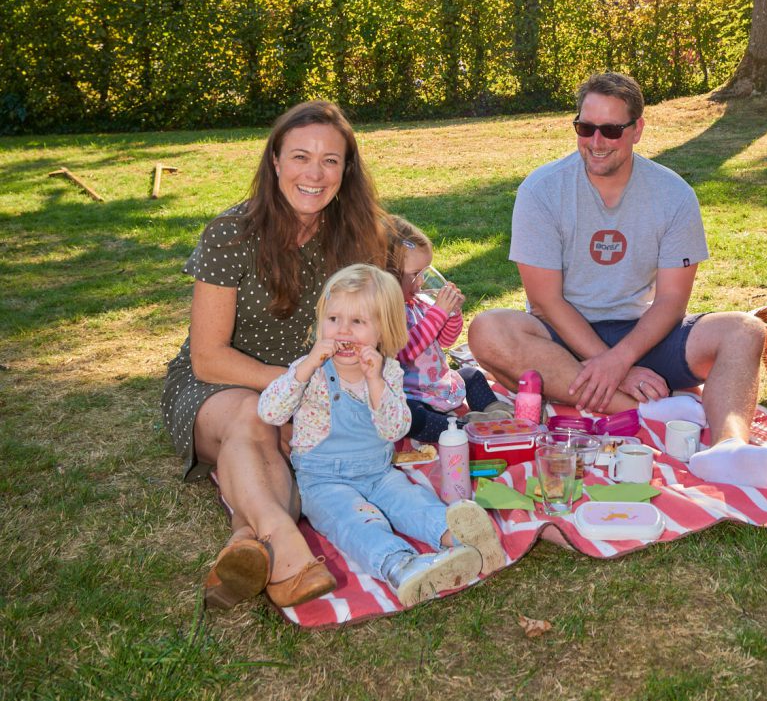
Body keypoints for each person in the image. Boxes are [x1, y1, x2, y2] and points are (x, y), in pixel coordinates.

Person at [162, 100, 392, 610]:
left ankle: (248, 539)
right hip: (217, 387)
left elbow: (375, 334)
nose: (315, 173)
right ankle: (288, 549)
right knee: (254, 417)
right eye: (300, 156)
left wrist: (314, 399)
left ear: (346, 170)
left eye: (331, 160)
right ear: (274, 162)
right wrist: (298, 390)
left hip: (310, 390)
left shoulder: (361, 236)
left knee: (287, 442)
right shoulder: (230, 233)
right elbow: (208, 358)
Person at [468, 72, 767, 453]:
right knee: (487, 330)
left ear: (637, 129)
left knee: (744, 330)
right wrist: (616, 369)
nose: (596, 142)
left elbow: (672, 301)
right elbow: (545, 302)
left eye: (610, 130)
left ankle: (731, 447)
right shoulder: (541, 190)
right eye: (585, 127)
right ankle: (653, 412)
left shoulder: (674, 194)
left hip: (643, 334)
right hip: (563, 341)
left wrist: (622, 359)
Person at [257, 264, 504, 607]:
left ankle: (462, 541)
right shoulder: (309, 369)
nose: (343, 331)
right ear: (320, 323)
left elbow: (395, 428)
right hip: (323, 481)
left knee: (412, 502)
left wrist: (375, 383)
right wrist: (304, 369)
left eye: (357, 322)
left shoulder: (387, 371)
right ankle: (400, 565)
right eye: (333, 319)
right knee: (355, 521)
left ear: (383, 331)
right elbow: (270, 412)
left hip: (378, 472)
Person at [384, 216, 513, 443]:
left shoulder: (420, 301)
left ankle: (493, 411)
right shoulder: (389, 311)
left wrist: (452, 313)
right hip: (413, 393)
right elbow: (405, 352)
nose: (422, 281)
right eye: (415, 274)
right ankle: (462, 428)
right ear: (388, 274)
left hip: (439, 383)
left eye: (425, 272)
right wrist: (438, 313)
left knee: (472, 375)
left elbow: (445, 340)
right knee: (411, 416)